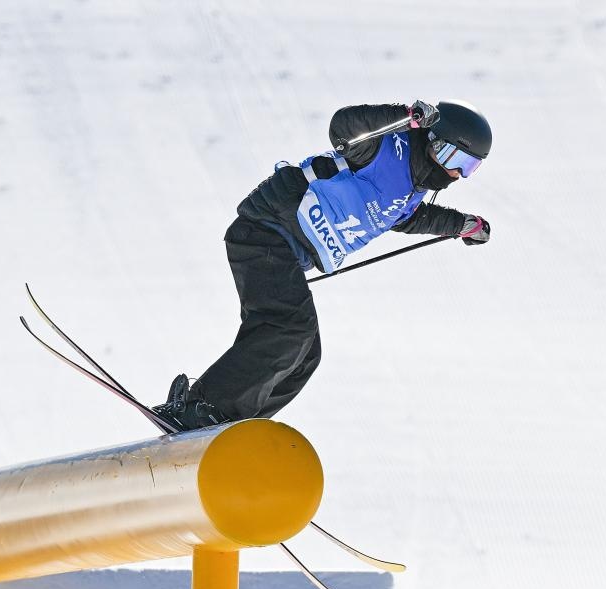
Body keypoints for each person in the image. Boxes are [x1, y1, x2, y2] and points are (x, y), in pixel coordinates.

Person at [153, 100, 493, 430]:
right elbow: (342, 127)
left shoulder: (411, 192)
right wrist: (404, 116)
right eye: (456, 159)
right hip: (266, 228)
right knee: (290, 327)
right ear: (434, 140)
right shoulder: (384, 148)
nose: (457, 173)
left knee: (304, 358)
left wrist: (461, 225)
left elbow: (408, 219)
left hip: (283, 248)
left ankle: (230, 428)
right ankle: (202, 409)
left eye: (470, 167)